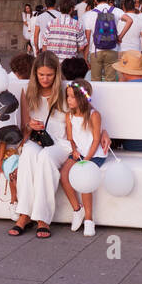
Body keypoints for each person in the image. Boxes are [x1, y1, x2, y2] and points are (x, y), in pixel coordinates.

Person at [8, 53, 70, 238]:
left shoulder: (69, 88)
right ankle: (25, 213)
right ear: (35, 73)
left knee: (45, 157)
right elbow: (25, 124)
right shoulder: (27, 90)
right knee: (28, 153)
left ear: (56, 73)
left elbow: (89, 107)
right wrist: (30, 125)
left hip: (61, 143)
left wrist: (103, 131)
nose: (44, 79)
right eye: (41, 75)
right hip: (38, 138)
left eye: (49, 75)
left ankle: (43, 218)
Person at [59, 79, 106, 237]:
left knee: (85, 182)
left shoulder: (94, 115)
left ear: (82, 98)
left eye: (72, 97)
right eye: (68, 97)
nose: (69, 100)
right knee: (64, 176)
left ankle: (89, 219)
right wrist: (74, 150)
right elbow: (71, 138)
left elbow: (96, 140)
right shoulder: (69, 116)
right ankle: (77, 209)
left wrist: (87, 159)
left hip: (94, 154)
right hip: (78, 153)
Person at [83, 0, 131, 81]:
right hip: (112, 48)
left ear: (95, 1)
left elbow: (88, 36)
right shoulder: (116, 11)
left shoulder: (90, 14)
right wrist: (120, 37)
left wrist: (85, 56)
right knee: (110, 80)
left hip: (96, 50)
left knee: (95, 80)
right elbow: (130, 20)